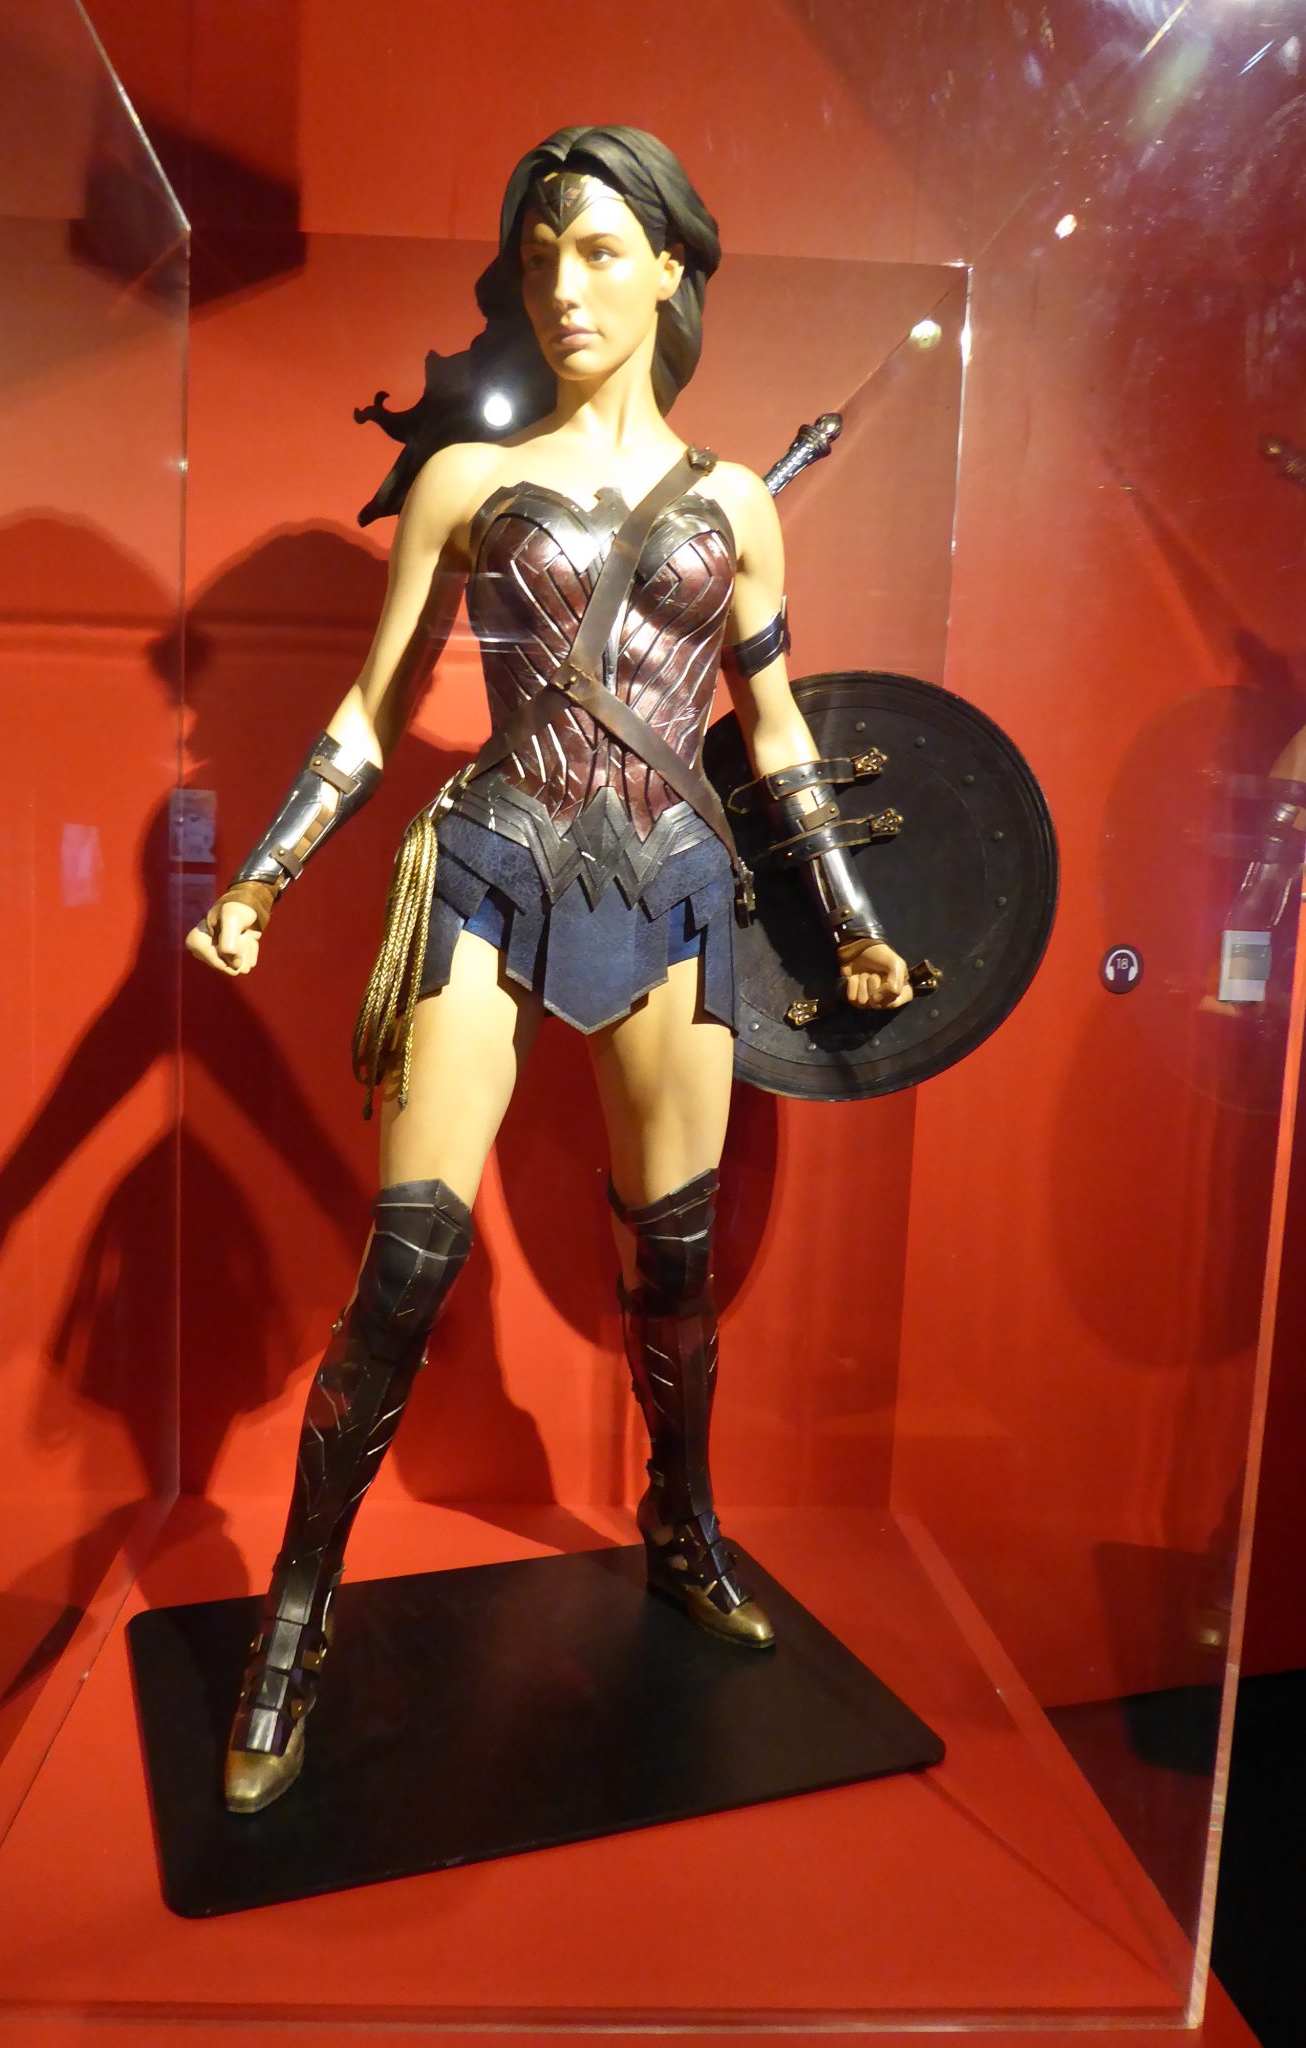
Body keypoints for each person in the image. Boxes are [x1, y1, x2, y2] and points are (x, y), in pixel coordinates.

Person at [187, 125, 911, 1815]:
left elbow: (775, 728)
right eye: (538, 258)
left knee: (677, 1266)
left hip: (675, 887)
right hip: (494, 865)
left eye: (596, 250)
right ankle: (295, 1613)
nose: (563, 287)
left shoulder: (740, 505)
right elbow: (375, 704)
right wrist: (269, 873)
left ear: (670, 265)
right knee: (408, 1260)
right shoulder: (462, 482)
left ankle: (681, 1523)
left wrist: (854, 917)